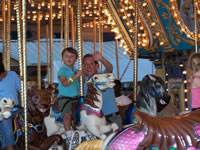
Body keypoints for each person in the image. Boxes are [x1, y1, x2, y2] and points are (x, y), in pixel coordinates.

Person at [83, 52, 122, 129]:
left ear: (96, 65)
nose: (88, 67)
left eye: (91, 63)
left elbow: (109, 68)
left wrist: (102, 59)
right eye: (85, 64)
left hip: (110, 118)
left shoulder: (103, 76)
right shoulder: (83, 83)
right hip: (95, 121)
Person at [57, 47, 82, 143]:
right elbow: (65, 83)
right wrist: (76, 76)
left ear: (75, 59)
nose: (69, 58)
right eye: (66, 56)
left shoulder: (76, 70)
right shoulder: (62, 70)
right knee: (67, 115)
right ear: (63, 58)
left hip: (76, 97)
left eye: (72, 56)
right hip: (65, 97)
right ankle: (68, 134)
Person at [0, 61, 20, 150]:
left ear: (3, 72)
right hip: (2, 111)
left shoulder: (13, 75)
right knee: (5, 122)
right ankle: (10, 147)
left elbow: (22, 89)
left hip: (16, 108)